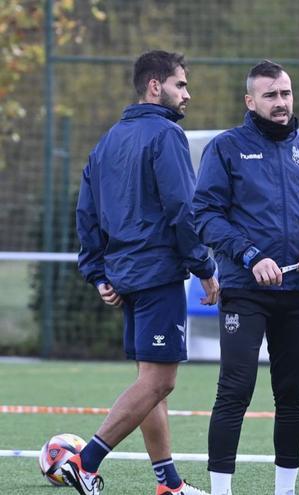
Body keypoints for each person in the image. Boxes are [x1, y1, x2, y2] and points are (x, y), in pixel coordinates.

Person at [66, 50, 219, 495]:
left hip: (125, 276)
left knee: (151, 383)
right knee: (160, 380)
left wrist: (98, 273)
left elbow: (86, 214)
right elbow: (182, 210)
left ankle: (168, 485)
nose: (187, 94)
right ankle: (86, 462)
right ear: (156, 86)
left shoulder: (108, 140)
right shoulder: (166, 135)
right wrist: (204, 267)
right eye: (181, 85)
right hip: (157, 275)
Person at [193, 60, 299, 495]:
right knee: (235, 390)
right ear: (250, 101)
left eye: (285, 93)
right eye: (270, 95)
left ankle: (286, 490)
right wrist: (250, 255)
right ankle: (221, 491)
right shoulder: (225, 148)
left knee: (292, 394)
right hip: (245, 290)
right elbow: (204, 215)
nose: (281, 103)